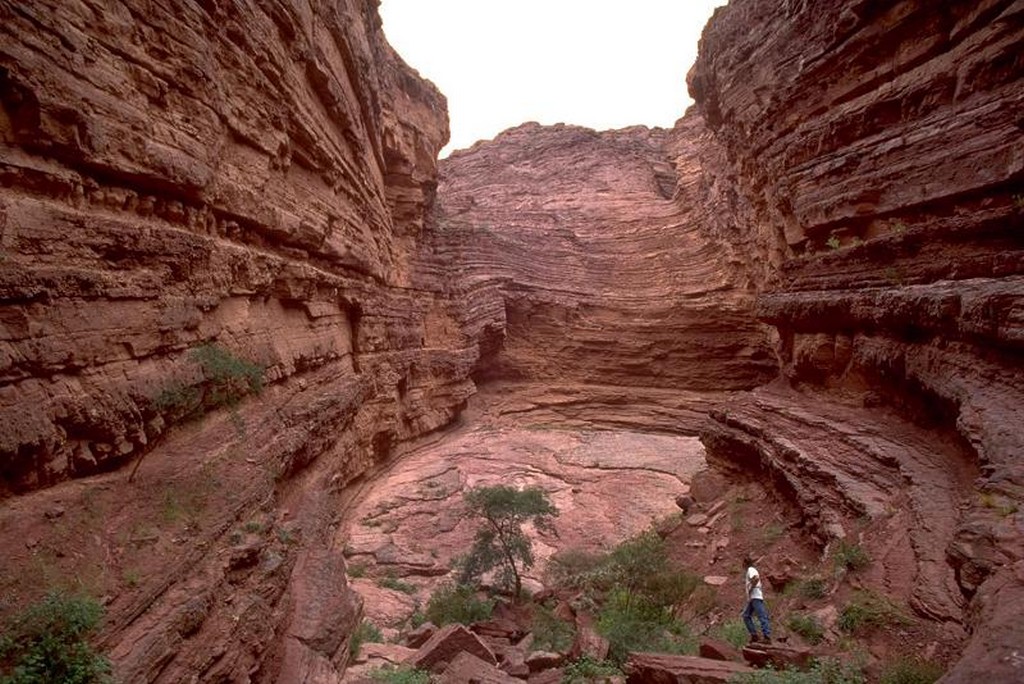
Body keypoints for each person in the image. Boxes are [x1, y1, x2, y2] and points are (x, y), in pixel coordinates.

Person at [742, 554, 771, 644]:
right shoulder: (750, 570)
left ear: (745, 563)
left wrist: (751, 589)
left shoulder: (751, 569)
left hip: (756, 597)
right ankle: (754, 635)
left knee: (762, 615)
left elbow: (756, 578)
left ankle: (767, 636)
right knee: (746, 616)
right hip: (752, 598)